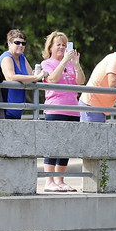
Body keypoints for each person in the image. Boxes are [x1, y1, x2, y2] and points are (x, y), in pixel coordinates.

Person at [40, 31, 86, 193]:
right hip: (55, 108)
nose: (62, 47)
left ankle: (60, 180)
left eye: (64, 45)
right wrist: (64, 61)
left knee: (66, 146)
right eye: (58, 44)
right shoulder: (47, 63)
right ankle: (49, 180)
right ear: (50, 47)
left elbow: (80, 82)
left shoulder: (70, 64)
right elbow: (51, 79)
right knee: (53, 144)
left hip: (72, 109)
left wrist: (76, 64)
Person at [0, 29, 40, 120]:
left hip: (18, 108)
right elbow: (10, 77)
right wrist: (36, 77)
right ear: (9, 43)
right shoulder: (6, 57)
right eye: (17, 42)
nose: (20, 45)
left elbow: (30, 74)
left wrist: (40, 73)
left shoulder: (22, 57)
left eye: (23, 43)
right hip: (5, 109)